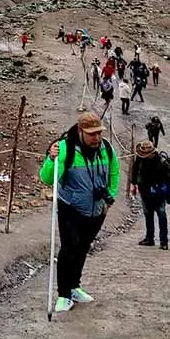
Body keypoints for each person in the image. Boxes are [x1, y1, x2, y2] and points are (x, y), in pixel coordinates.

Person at [42, 112, 119, 313]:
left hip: (97, 208)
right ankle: (64, 294)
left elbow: (114, 173)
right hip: (71, 207)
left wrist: (109, 198)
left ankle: (75, 286)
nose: (96, 138)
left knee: (83, 247)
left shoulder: (107, 149)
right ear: (80, 131)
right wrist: (51, 159)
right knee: (69, 248)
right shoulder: (65, 149)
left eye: (99, 133)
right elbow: (48, 179)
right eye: (91, 134)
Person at [130, 140, 170, 250]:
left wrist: (162, 189)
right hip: (144, 191)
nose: (144, 156)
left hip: (158, 194)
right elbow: (135, 171)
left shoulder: (162, 162)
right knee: (148, 214)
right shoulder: (140, 159)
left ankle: (164, 241)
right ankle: (149, 238)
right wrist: (133, 184)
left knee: (161, 215)